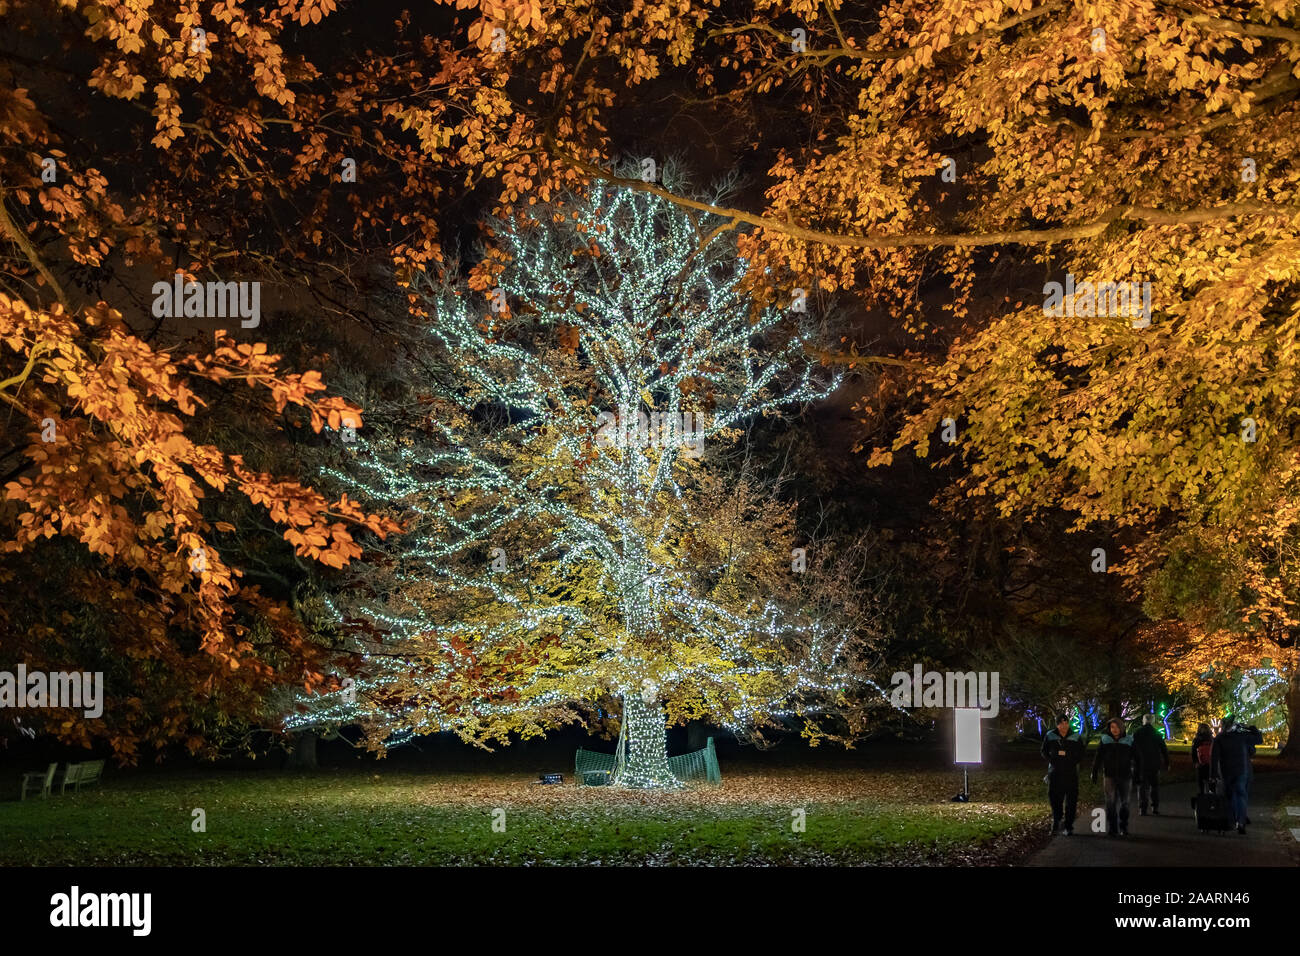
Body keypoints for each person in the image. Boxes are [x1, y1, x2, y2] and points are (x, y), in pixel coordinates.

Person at [1211, 714, 1264, 834]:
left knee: (1229, 796)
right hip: (1241, 770)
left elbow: (1214, 758)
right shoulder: (1242, 736)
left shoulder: (1219, 738)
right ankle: (1241, 821)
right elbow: (1259, 739)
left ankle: (1231, 820)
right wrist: (1251, 728)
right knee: (1241, 795)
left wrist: (1213, 775)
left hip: (1226, 771)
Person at [1092, 717, 1140, 836]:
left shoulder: (1129, 740)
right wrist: (1094, 771)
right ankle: (1113, 827)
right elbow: (1098, 757)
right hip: (1109, 775)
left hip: (1125, 776)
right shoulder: (1105, 740)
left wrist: (1138, 774)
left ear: (1122, 727)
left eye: (1117, 727)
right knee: (1110, 802)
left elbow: (1138, 758)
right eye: (1112, 727)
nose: (1115, 729)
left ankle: (1123, 826)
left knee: (1125, 803)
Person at [1041, 714, 1084, 835]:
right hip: (1055, 772)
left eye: (1066, 723)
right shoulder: (1050, 735)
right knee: (1055, 798)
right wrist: (1051, 760)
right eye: (1061, 723)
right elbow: (1043, 750)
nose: (1064, 726)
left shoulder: (1075, 736)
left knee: (1071, 800)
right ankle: (1057, 819)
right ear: (1057, 724)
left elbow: (1081, 752)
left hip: (1070, 772)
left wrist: (1073, 761)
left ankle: (1069, 825)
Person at [1132, 714, 1169, 815]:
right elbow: (1163, 749)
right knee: (1154, 786)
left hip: (1141, 764)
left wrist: (1133, 761)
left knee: (1142, 786)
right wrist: (1167, 762)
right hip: (1154, 763)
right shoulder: (1156, 733)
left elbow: (1133, 749)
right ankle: (1154, 807)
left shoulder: (1137, 733)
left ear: (1143, 721)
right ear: (1152, 721)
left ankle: (1142, 808)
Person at [1191, 722, 1214, 793]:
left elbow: (1194, 751)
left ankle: (1202, 795)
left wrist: (1195, 762)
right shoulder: (1212, 739)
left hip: (1201, 763)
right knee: (1211, 779)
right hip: (1211, 763)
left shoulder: (1197, 739)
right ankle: (1212, 794)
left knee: (1201, 779)